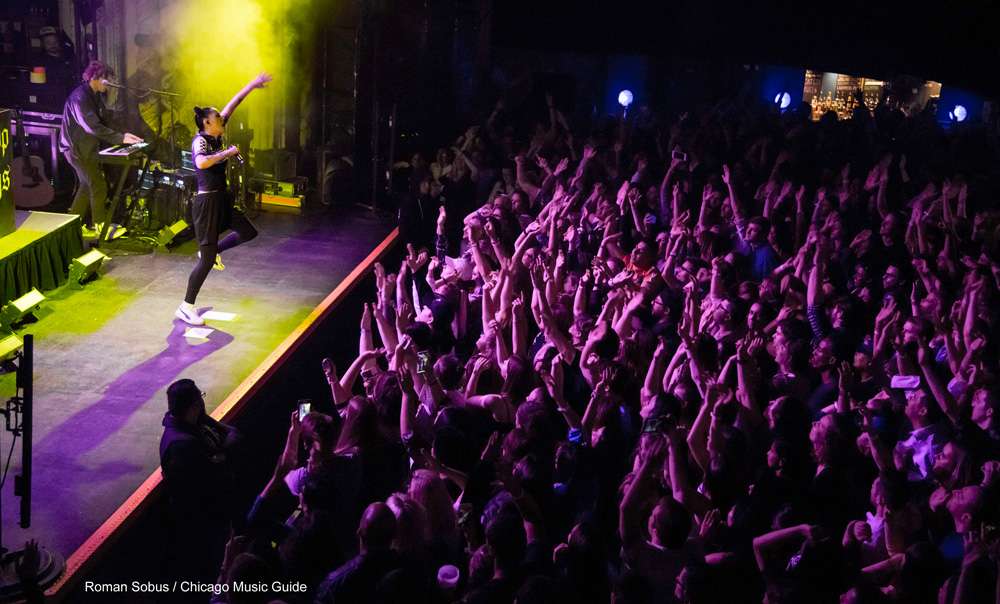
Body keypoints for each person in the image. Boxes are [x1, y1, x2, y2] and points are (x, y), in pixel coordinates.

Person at [176, 72, 271, 326]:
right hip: (207, 205)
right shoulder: (200, 141)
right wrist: (226, 153)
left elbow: (233, 104)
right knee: (206, 261)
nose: (222, 118)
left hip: (222, 201)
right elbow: (201, 162)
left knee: (248, 232)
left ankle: (215, 250)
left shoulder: (216, 134)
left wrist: (252, 85)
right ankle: (186, 306)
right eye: (217, 117)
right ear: (207, 123)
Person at [159, 378, 240, 583]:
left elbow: (233, 434)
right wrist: (222, 456)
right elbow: (211, 478)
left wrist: (221, 454)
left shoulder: (195, 423)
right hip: (205, 526)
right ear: (193, 405)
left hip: (213, 518)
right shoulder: (182, 446)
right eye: (200, 398)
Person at [59, 60, 143, 235]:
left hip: (83, 148)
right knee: (98, 185)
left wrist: (124, 135)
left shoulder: (93, 95)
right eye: (108, 79)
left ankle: (71, 228)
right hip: (76, 149)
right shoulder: (80, 97)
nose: (110, 84)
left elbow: (103, 121)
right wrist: (121, 138)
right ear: (96, 77)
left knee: (86, 185)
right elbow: (92, 126)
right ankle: (101, 227)